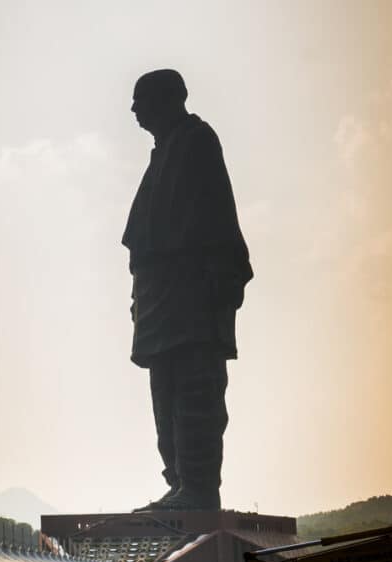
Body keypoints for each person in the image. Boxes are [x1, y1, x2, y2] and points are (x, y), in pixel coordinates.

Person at [123, 69, 252, 512]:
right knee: (165, 400)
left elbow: (210, 222)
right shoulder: (163, 154)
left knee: (195, 394)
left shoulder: (196, 142)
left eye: (141, 99)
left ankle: (197, 487)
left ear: (167, 99)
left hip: (192, 298)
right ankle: (180, 483)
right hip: (161, 302)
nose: (134, 109)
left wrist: (214, 284)